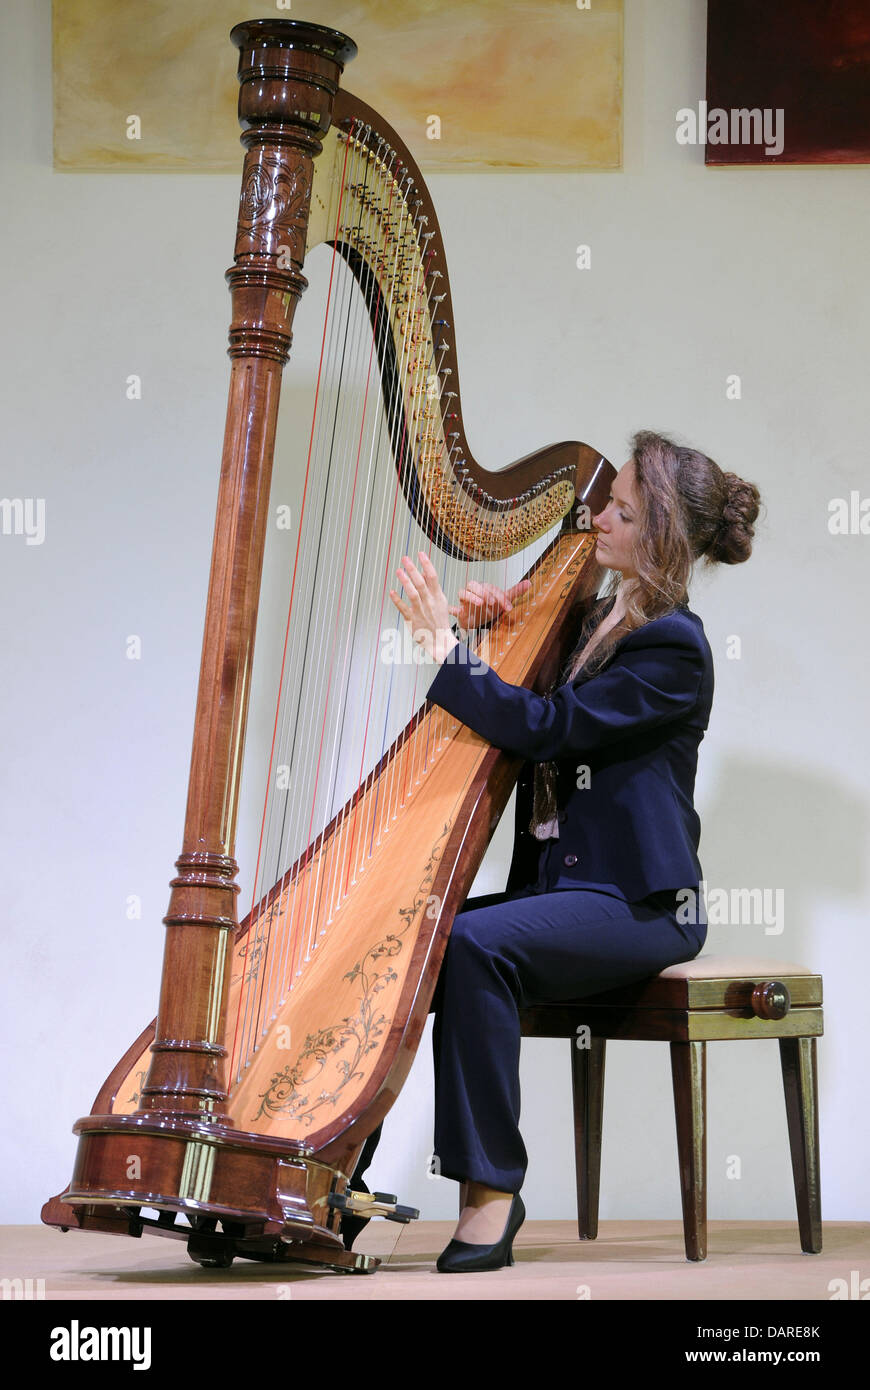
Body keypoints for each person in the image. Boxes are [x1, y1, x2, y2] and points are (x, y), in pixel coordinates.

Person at [343, 428, 761, 1272]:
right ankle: (333, 1171)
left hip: (642, 906)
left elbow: (553, 730)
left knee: (470, 943)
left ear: (661, 537)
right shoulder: (594, 618)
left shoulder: (673, 646)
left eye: (622, 511)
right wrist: (498, 628)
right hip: (568, 895)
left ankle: (491, 1193)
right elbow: (542, 692)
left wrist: (445, 651)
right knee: (413, 935)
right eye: (608, 504)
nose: (596, 516)